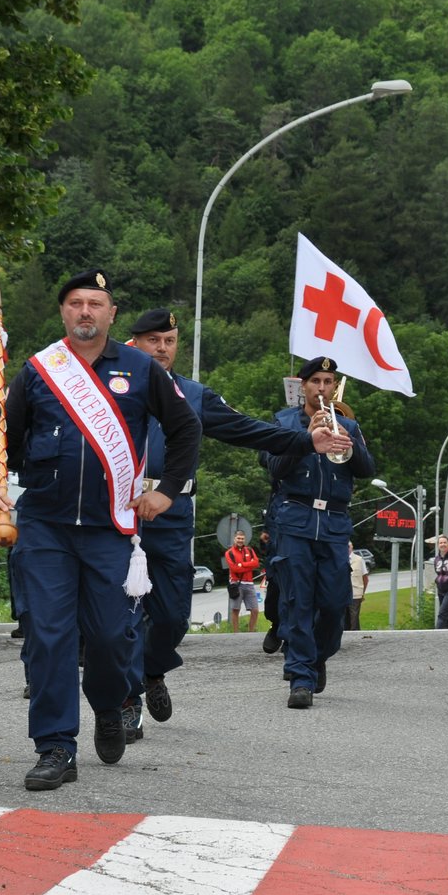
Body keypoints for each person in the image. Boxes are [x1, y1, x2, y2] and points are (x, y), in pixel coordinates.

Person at [0, 271, 199, 787]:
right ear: (63, 312)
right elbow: (0, 434)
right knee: (48, 638)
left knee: (109, 639)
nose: (85, 312)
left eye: (95, 303)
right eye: (75, 303)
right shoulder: (38, 371)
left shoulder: (141, 369)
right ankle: (55, 747)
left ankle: (108, 701)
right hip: (45, 527)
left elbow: (186, 430)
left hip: (110, 528)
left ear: (111, 314)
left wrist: (165, 491)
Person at [123, 308, 339, 740]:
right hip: (120, 511)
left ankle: (152, 669)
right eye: (152, 340)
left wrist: (304, 440)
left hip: (170, 512)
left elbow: (249, 430)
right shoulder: (113, 390)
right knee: (121, 613)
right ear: (135, 344)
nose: (162, 348)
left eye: (169, 341)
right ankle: (126, 700)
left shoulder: (194, 395)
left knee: (173, 616)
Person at [265, 355, 374, 708]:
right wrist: (305, 436)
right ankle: (300, 676)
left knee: (332, 603)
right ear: (303, 385)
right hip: (294, 518)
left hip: (334, 523)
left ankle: (317, 656)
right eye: (316, 382)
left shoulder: (349, 425)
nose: (323, 389)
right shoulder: (283, 422)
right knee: (297, 600)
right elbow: (274, 469)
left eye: (329, 383)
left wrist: (348, 443)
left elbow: (367, 469)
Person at [224, 530, 262, 634]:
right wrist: (248, 566)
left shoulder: (249, 550)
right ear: (234, 539)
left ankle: (250, 633)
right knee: (235, 609)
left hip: (249, 584)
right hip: (236, 584)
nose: (240, 540)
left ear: (245, 539)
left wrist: (242, 564)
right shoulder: (229, 553)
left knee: (255, 610)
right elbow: (234, 569)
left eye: (242, 538)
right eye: (238, 538)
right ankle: (236, 633)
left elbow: (256, 563)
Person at [346, 541, 368, 630]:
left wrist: (362, 593)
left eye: (348, 546)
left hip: (355, 594)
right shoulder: (339, 558)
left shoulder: (359, 560)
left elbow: (365, 578)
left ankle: (354, 637)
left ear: (352, 547)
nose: (347, 548)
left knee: (353, 618)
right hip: (342, 594)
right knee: (343, 619)